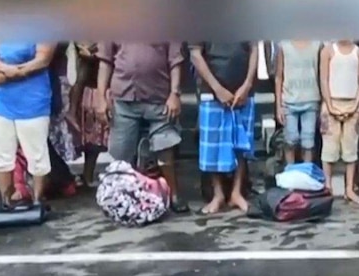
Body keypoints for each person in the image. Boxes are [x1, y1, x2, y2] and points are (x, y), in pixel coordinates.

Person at [95, 43, 188, 213]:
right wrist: (100, 97)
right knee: (121, 156)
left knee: (165, 150)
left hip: (159, 98)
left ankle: (174, 195)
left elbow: (175, 61)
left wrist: (175, 94)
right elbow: (105, 62)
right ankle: (119, 199)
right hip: (124, 98)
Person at [191, 42, 258, 214]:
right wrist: (218, 89)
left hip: (242, 93)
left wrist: (247, 85)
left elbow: (255, 49)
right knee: (212, 146)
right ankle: (218, 194)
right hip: (211, 92)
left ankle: (236, 193)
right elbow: (196, 55)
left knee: (241, 144)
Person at [0, 43, 56, 206]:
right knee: (1, 154)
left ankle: (37, 200)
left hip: (33, 100)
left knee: (37, 155)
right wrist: (4, 68)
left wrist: (9, 74)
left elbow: (43, 60)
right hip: (1, 99)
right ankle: (6, 201)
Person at [319, 40, 359, 203]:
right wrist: (330, 106)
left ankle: (349, 188)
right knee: (329, 148)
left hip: (352, 103)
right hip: (331, 102)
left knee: (351, 148)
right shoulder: (328, 51)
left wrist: (355, 105)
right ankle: (328, 186)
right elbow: (324, 80)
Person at [274, 40, 322, 165]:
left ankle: (307, 174)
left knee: (308, 142)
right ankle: (291, 175)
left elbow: (322, 76)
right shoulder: (283, 46)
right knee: (290, 141)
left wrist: (323, 104)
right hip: (289, 101)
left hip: (311, 99)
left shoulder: (317, 45)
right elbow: (279, 77)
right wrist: (278, 106)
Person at [69, 42, 108, 187]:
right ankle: (85, 176)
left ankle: (88, 175)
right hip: (88, 89)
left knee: (96, 139)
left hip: (100, 87)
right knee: (91, 138)